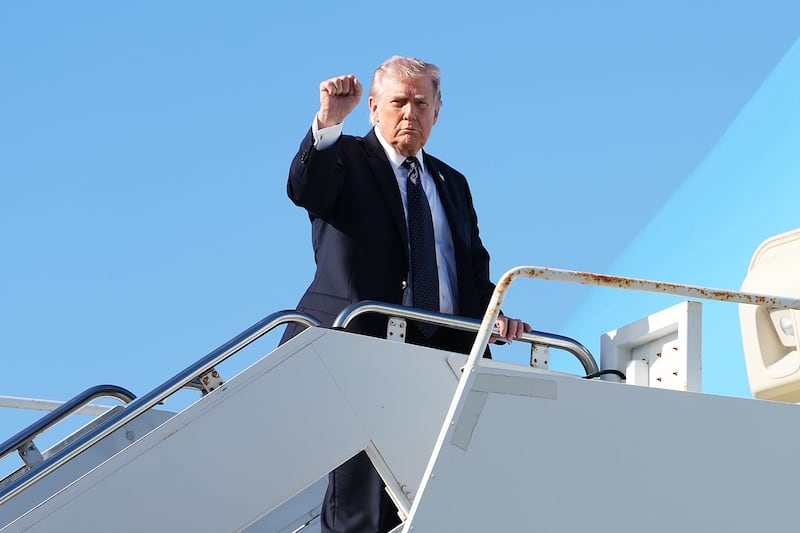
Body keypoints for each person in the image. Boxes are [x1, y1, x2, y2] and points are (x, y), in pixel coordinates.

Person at [281, 56, 531, 533]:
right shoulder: (345, 158)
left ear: (438, 111)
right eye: (398, 101)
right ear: (373, 108)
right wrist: (330, 121)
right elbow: (304, 187)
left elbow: (471, 272)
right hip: (359, 350)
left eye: (421, 102)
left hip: (437, 359)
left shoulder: (452, 184)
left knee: (431, 503)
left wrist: (492, 318)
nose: (409, 113)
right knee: (361, 504)